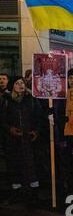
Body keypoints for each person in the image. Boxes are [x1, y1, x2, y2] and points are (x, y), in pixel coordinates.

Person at [0, 76, 44, 205]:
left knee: (32, 165)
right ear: (13, 86)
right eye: (18, 83)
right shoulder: (6, 101)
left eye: (22, 83)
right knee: (14, 165)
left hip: (29, 139)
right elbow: (2, 120)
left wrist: (36, 131)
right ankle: (17, 192)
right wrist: (10, 129)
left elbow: (39, 118)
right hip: (13, 141)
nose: (21, 85)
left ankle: (34, 193)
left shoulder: (32, 100)